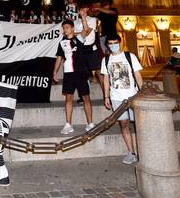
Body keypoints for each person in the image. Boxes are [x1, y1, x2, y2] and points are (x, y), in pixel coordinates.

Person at [101, 34, 143, 164]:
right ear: (108, 45)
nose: (113, 45)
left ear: (120, 43)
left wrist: (143, 92)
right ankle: (131, 152)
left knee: (139, 124)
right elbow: (106, 78)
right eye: (110, 43)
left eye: (115, 42)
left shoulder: (130, 57)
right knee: (124, 123)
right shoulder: (106, 60)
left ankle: (144, 151)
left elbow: (137, 74)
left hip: (132, 95)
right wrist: (106, 96)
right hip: (116, 97)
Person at [53, 9, 95, 135]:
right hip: (69, 73)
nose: (65, 30)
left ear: (72, 28)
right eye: (63, 28)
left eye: (67, 27)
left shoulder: (79, 39)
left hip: (81, 72)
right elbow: (59, 58)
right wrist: (54, 72)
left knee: (86, 98)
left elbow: (87, 30)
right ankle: (68, 124)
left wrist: (83, 17)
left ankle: (90, 123)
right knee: (68, 99)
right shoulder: (62, 43)